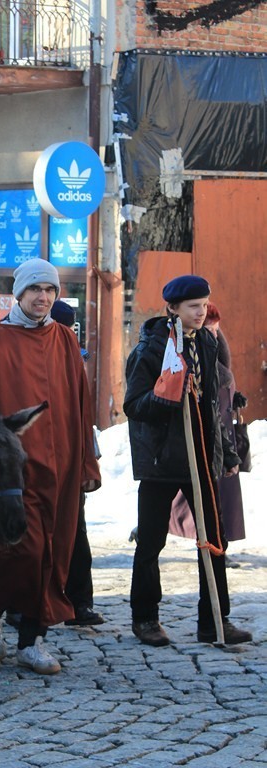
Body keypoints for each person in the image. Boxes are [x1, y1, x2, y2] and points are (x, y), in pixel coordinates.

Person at [0, 258, 101, 675]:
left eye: (50, 290)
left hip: (63, 467)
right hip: (13, 475)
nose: (44, 297)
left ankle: (32, 640)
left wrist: (87, 462)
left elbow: (81, 403)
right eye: (36, 289)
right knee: (23, 549)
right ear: (19, 294)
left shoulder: (63, 339)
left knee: (54, 555)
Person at [124, 275, 252, 648]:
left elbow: (215, 406)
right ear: (173, 310)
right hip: (162, 460)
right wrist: (166, 397)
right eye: (193, 306)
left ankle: (215, 618)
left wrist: (225, 452)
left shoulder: (208, 344)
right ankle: (145, 617)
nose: (201, 312)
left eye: (204, 304)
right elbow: (134, 406)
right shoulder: (152, 350)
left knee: (214, 539)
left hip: (201, 456)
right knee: (150, 542)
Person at [169, 303, 248, 552]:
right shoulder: (196, 352)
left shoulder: (216, 350)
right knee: (195, 497)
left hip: (221, 437)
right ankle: (209, 544)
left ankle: (217, 546)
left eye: (216, 328)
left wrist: (235, 398)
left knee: (219, 497)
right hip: (204, 437)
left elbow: (223, 386)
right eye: (211, 328)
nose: (214, 332)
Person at [50, 300, 105, 627]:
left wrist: (87, 456)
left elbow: (82, 413)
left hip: (70, 456)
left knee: (76, 531)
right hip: (38, 456)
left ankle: (79, 601)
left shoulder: (73, 358)